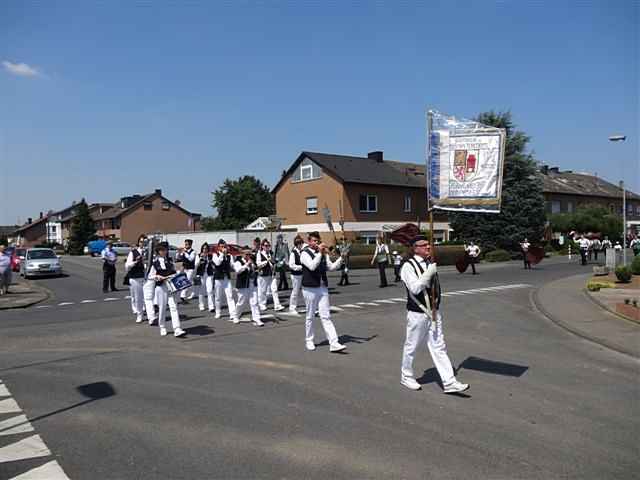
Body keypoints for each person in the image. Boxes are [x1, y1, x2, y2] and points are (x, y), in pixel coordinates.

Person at [400, 235, 469, 393]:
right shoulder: (407, 266)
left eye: (429, 245)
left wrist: (431, 268)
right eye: (424, 245)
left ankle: (449, 382)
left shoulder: (430, 262)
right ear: (415, 248)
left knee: (439, 347)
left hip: (434, 312)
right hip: (417, 313)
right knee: (412, 346)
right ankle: (406, 376)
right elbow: (416, 288)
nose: (428, 247)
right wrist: (429, 272)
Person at [300, 231, 346, 353]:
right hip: (309, 288)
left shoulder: (323, 254)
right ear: (309, 241)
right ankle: (309, 340)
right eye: (314, 241)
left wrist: (341, 258)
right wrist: (320, 253)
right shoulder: (304, 253)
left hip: (322, 287)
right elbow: (312, 266)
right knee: (310, 316)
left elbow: (330, 267)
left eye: (318, 241)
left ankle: (334, 343)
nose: (317, 243)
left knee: (326, 316)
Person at [148, 243, 186, 337]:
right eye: (162, 250)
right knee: (162, 308)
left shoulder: (169, 261)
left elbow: (174, 271)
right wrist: (157, 276)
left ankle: (177, 328)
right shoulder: (155, 263)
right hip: (161, 287)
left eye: (165, 250)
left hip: (170, 286)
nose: (164, 252)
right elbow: (150, 276)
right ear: (158, 252)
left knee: (173, 306)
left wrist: (179, 270)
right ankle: (162, 326)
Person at [233, 249, 264, 326]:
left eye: (249, 254)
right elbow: (238, 270)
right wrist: (247, 264)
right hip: (243, 284)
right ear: (242, 254)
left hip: (252, 284)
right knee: (241, 302)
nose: (248, 256)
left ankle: (257, 318)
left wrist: (257, 270)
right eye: (246, 254)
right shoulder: (238, 262)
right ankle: (236, 316)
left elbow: (255, 270)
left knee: (254, 302)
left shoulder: (252, 261)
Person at [212, 239, 238, 321]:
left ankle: (233, 313)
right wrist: (222, 254)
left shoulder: (229, 256)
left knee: (230, 296)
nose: (223, 248)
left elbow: (233, 265)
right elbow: (217, 263)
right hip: (218, 278)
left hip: (227, 278)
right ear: (218, 247)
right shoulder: (215, 254)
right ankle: (218, 312)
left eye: (224, 246)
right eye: (222, 246)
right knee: (218, 296)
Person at [256, 239, 284, 311]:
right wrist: (266, 261)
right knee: (263, 291)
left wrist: (275, 262)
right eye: (266, 246)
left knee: (274, 290)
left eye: (268, 246)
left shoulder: (271, 253)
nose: (267, 247)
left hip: (272, 274)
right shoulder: (259, 254)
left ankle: (277, 305)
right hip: (263, 275)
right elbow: (258, 264)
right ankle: (262, 304)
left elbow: (274, 262)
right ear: (262, 246)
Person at [125, 235, 147, 323]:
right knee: (137, 296)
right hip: (136, 276)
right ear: (138, 242)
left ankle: (148, 313)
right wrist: (135, 261)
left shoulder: (148, 252)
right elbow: (127, 266)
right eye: (141, 241)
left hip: (147, 277)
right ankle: (139, 313)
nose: (143, 243)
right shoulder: (133, 252)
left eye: (145, 242)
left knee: (147, 296)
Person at [195, 243, 215, 312]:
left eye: (206, 248)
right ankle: (201, 305)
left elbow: (214, 264)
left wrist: (211, 262)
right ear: (201, 249)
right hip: (201, 275)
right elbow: (196, 265)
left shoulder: (210, 256)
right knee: (201, 291)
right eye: (203, 248)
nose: (205, 250)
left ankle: (211, 306)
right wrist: (200, 258)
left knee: (210, 291)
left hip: (209, 274)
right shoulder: (198, 255)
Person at [175, 239, 196, 304]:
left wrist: (185, 252)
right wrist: (178, 252)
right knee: (186, 282)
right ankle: (190, 293)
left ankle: (182, 296)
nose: (185, 246)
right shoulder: (184, 251)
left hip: (190, 269)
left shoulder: (193, 252)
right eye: (185, 244)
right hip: (184, 268)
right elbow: (178, 258)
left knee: (187, 282)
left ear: (190, 245)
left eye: (187, 244)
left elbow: (190, 259)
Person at [288, 235, 305, 314]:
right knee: (295, 291)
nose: (302, 245)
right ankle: (292, 307)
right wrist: (301, 267)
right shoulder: (293, 253)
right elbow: (291, 265)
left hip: (302, 274)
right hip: (295, 275)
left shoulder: (301, 251)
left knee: (305, 290)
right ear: (297, 244)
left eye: (302, 243)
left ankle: (309, 306)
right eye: (301, 243)